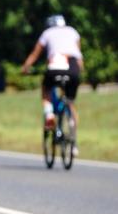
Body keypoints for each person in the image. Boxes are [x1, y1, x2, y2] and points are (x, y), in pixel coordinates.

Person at [21, 14, 83, 154]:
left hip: (54, 70)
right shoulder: (73, 31)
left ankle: (49, 114)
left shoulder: (47, 33)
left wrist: (25, 67)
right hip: (73, 70)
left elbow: (35, 54)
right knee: (71, 102)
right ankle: (73, 140)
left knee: (46, 89)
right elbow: (79, 58)